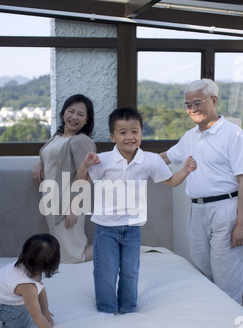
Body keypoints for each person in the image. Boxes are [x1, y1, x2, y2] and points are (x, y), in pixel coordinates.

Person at [77, 106, 196, 314]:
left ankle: (128, 309)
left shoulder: (151, 160)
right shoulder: (103, 159)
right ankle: (106, 309)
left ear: (141, 133)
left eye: (135, 131)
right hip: (106, 228)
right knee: (106, 271)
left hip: (132, 227)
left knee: (130, 271)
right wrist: (86, 165)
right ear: (113, 137)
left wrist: (185, 170)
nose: (130, 137)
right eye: (123, 132)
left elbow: (170, 181)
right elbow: (80, 182)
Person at [160, 78, 243, 305]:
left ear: (214, 100)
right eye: (188, 105)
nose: (193, 109)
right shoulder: (190, 136)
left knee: (227, 278)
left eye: (198, 103)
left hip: (226, 210)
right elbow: (164, 159)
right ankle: (210, 323)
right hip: (197, 210)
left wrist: (241, 224)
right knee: (202, 271)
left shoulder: (233, 134)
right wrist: (127, 160)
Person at [32, 94, 96, 264]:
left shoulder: (81, 141)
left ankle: (112, 247)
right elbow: (51, 159)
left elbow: (88, 176)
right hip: (52, 201)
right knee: (62, 252)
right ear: (63, 113)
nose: (74, 117)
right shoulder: (57, 138)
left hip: (68, 203)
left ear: (86, 120)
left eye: (80, 114)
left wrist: (74, 207)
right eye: (71, 111)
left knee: (74, 256)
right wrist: (38, 164)